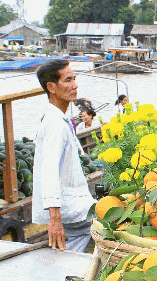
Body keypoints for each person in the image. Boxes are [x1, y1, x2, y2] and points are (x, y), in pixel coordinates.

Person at [33, 59, 96, 252]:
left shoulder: (58, 119)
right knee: (118, 220)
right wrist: (55, 218)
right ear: (51, 87)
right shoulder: (55, 124)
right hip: (71, 209)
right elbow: (49, 170)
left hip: (74, 204)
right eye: (68, 80)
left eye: (74, 79)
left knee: (74, 245)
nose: (75, 85)